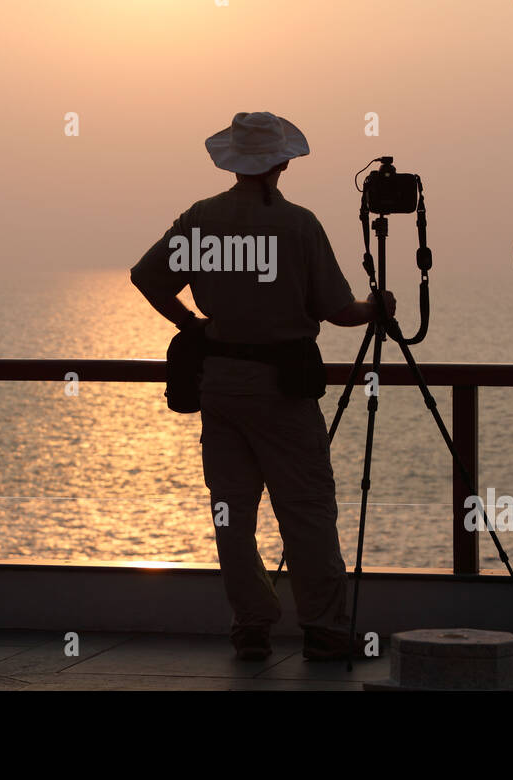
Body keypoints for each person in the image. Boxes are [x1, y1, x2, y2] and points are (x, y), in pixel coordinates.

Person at [130, 111, 395, 661]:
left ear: (233, 161)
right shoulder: (299, 225)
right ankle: (322, 627)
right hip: (284, 387)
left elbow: (147, 276)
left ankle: (251, 623)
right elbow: (339, 310)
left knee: (232, 511)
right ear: (281, 161)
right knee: (307, 508)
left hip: (220, 384)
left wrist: (191, 325)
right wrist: (377, 307)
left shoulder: (200, 219)